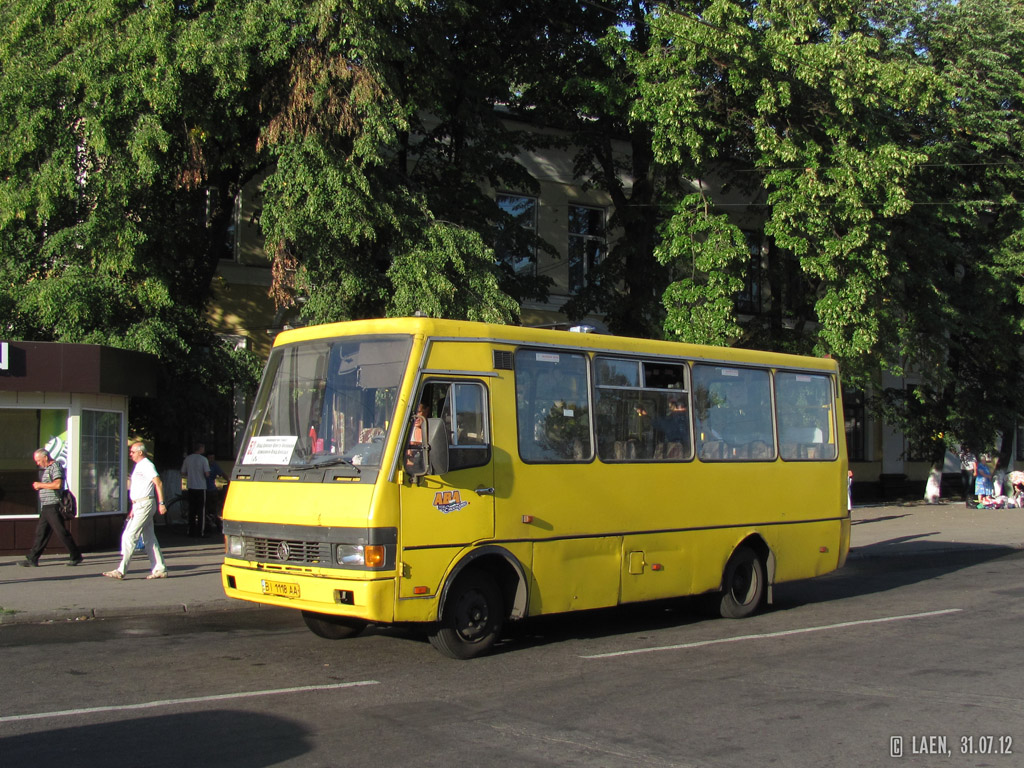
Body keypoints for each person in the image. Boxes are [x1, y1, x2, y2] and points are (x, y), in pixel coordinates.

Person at [103, 441, 168, 580]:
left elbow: (158, 483)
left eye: (132, 451)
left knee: (129, 536)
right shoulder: (139, 466)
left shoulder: (147, 465)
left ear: (140, 452)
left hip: (145, 504)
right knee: (149, 538)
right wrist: (133, 507)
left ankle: (121, 570)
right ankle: (159, 569)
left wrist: (162, 503)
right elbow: (139, 488)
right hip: (139, 504)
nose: (130, 454)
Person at [20, 449, 83, 567]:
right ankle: (32, 558)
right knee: (41, 532)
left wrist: (40, 485)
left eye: (38, 460)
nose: (38, 463)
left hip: (53, 505)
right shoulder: (47, 469)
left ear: (45, 457)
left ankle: (75, 555)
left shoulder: (55, 467)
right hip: (46, 506)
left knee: (61, 531)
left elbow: (57, 484)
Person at [181, 442, 210, 537]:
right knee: (201, 510)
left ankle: (190, 530)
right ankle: (201, 531)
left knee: (192, 510)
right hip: (201, 487)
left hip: (191, 486)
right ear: (200, 449)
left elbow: (183, 472)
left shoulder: (188, 459)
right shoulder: (203, 459)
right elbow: (207, 474)